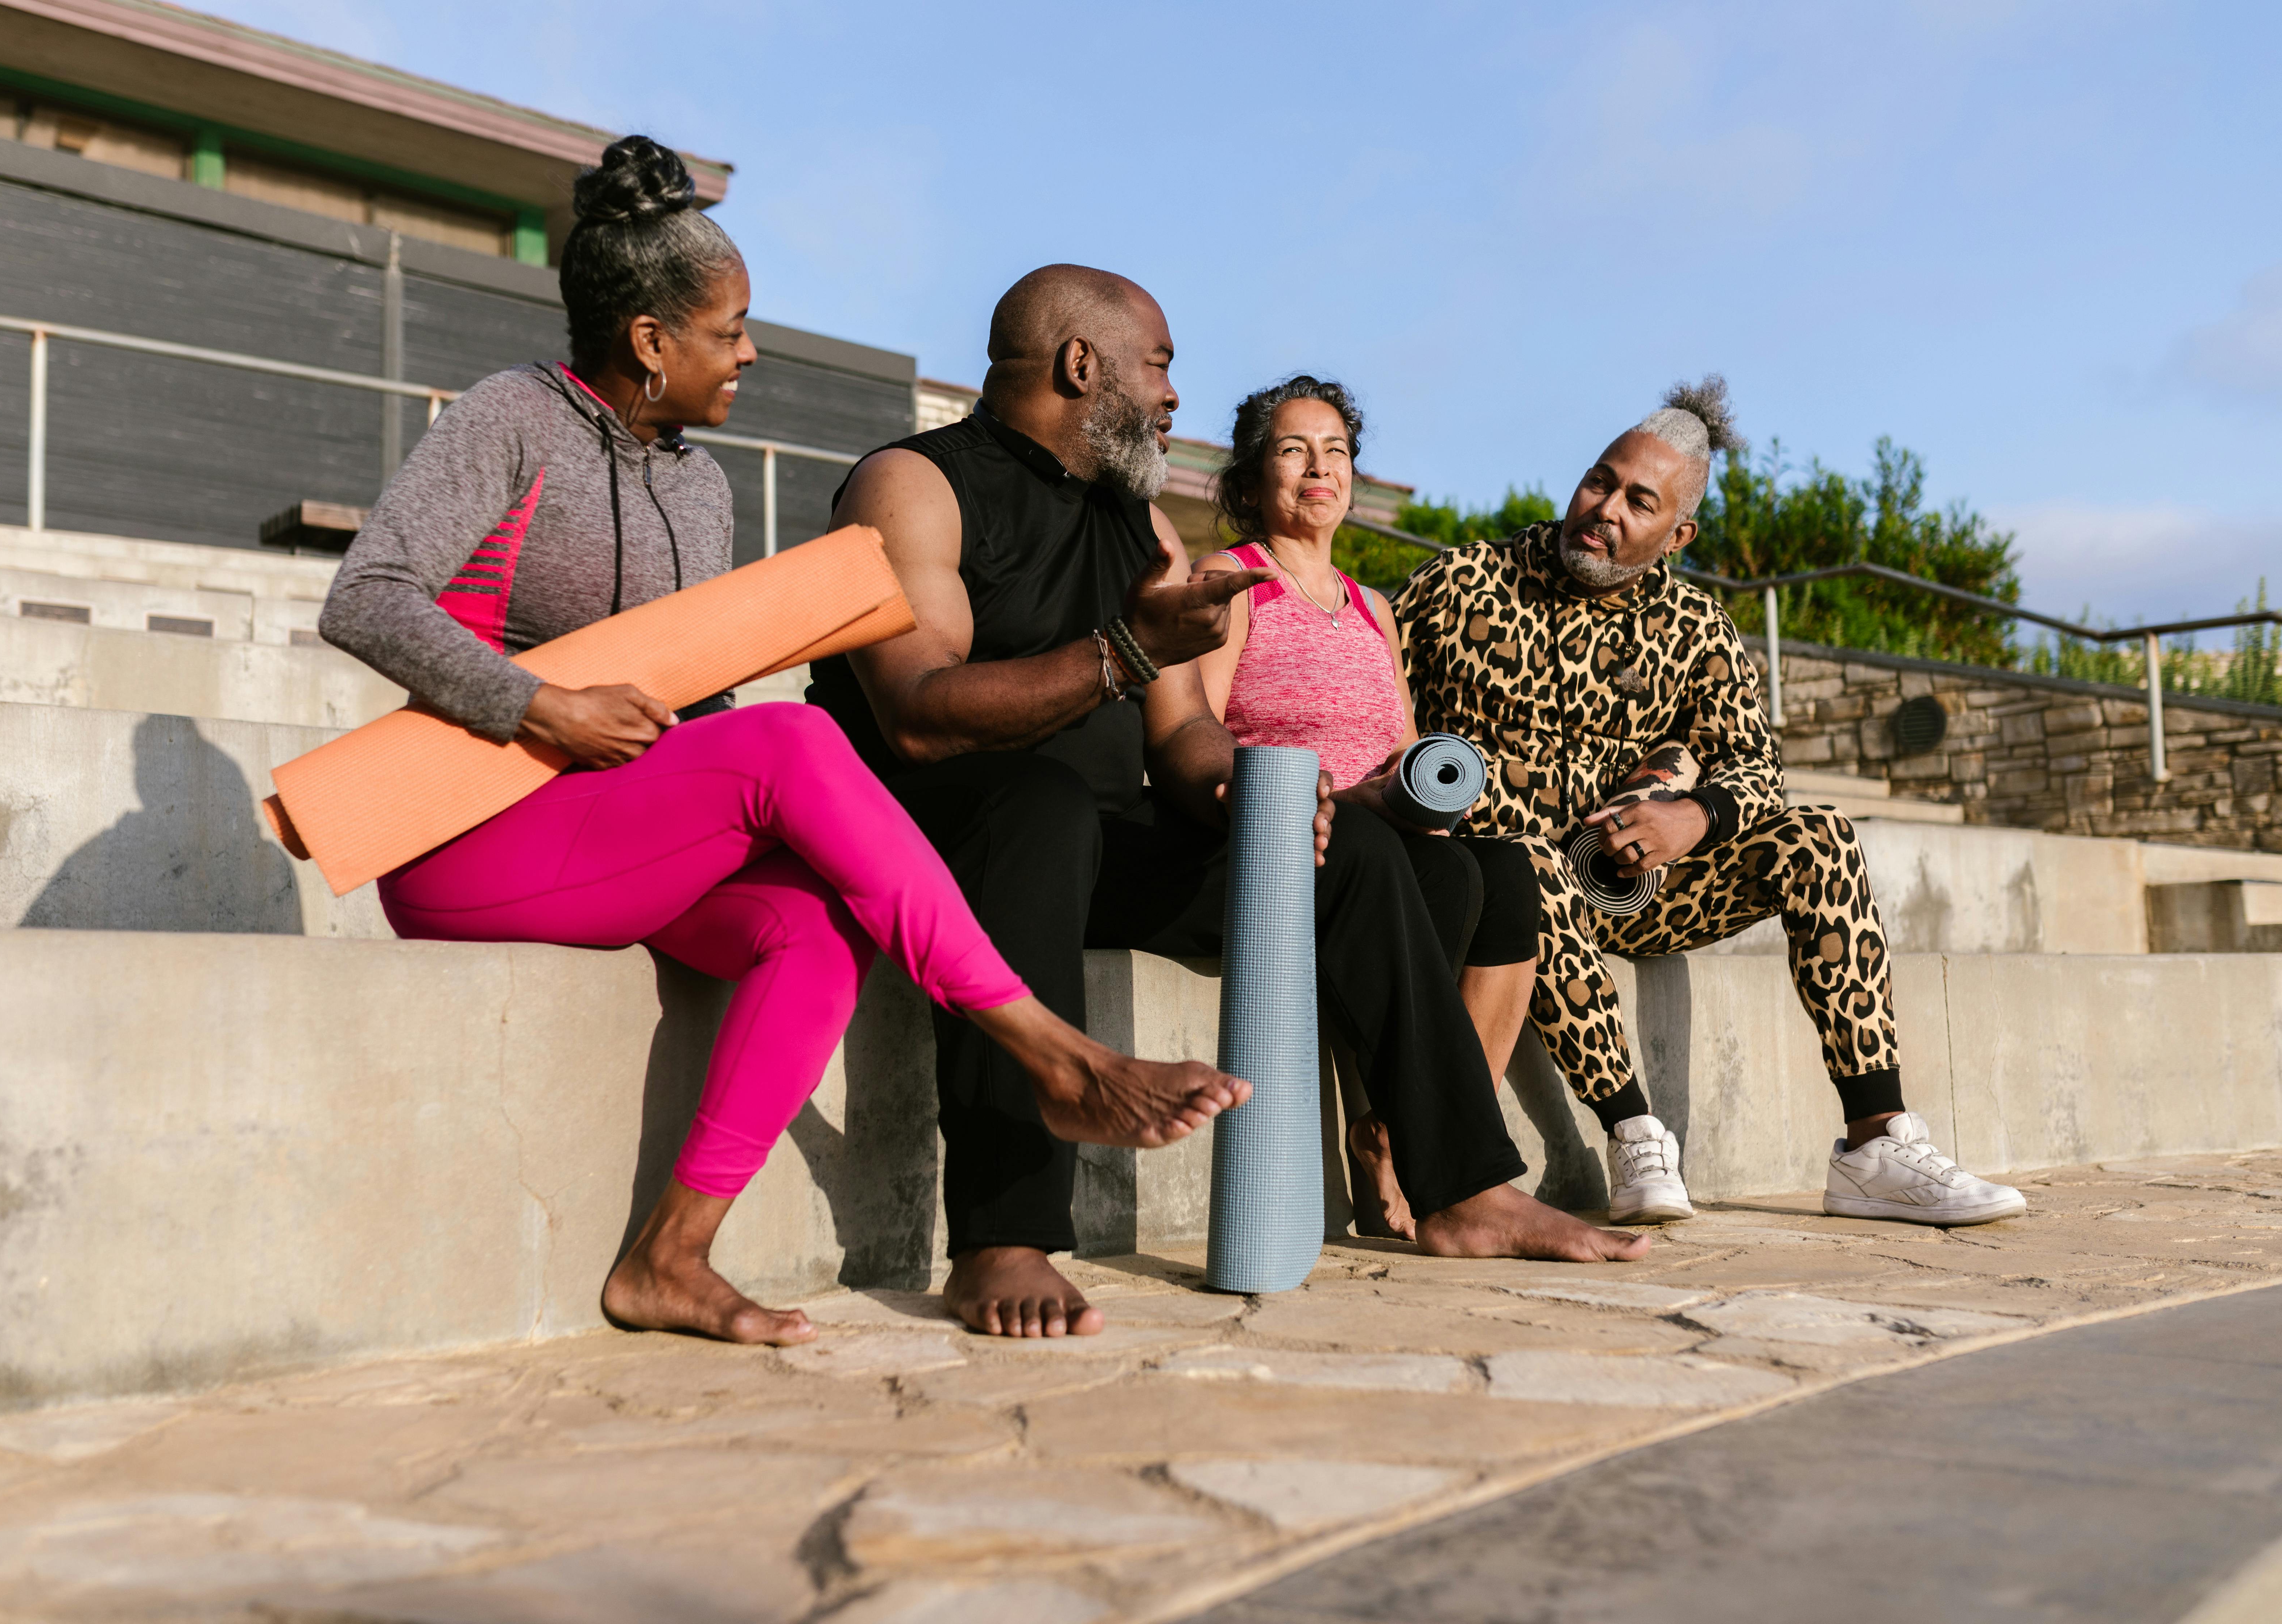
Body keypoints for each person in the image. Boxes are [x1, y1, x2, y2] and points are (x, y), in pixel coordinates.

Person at [318, 141, 1251, 1350]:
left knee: (814, 925)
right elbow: (367, 597)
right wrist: (537, 709)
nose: (752, 353)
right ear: (653, 341)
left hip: (617, 836)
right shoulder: (510, 421)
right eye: (731, 330)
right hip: (471, 835)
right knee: (793, 748)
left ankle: (671, 1257)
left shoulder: (701, 488)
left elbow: (690, 712)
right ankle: (1052, 1054)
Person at [811, 265, 1650, 1340]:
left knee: (1367, 851)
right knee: (1039, 804)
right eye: (1158, 367)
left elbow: (1180, 733)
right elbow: (922, 714)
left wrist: (1245, 790)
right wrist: (1123, 651)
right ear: (1082, 365)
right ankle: (1004, 1236)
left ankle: (1463, 1188)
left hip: (1105, 844)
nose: (1171, 397)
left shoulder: (1133, 521)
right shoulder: (914, 483)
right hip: (940, 829)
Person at [1393, 377, 2026, 1227]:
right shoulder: (1464, 580)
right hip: (1505, 886)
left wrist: (1691, 818)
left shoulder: (1698, 623)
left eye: (1638, 501)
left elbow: (1755, 767)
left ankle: (1877, 1143)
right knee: (1525, 859)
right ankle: (1632, 1132)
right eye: (1599, 480)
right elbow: (1369, 698)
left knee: (1820, 837)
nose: (1605, 508)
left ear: (1678, 532)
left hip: (1642, 888)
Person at [1187, 375, 1542, 1240]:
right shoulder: (1230, 582)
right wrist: (1346, 797)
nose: (1320, 467)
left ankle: (1395, 1131)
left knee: (1498, 871)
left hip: (1377, 827)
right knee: (1432, 874)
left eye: (1336, 450)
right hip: (1284, 833)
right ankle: (1432, 1157)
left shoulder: (1371, 608)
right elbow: (1192, 732)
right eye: (1293, 449)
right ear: (1250, 477)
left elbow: (1401, 743)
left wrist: (1427, 780)